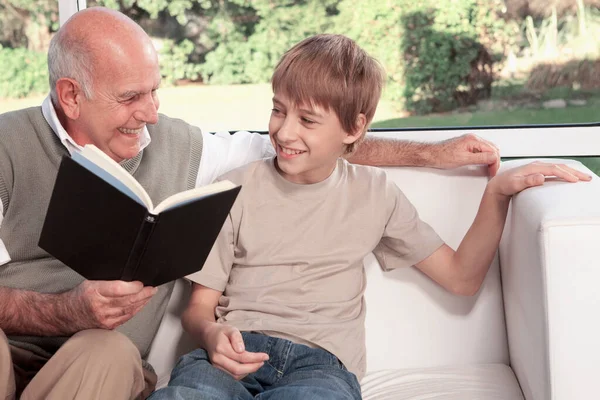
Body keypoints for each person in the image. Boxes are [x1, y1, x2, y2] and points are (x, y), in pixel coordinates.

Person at [0, 7, 504, 400]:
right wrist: (65, 309)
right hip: (15, 346)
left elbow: (316, 145)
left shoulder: (190, 150)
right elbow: (302, 137)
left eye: (155, 92)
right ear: (71, 96)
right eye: (132, 97)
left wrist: (432, 154)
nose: (152, 114)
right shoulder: (7, 149)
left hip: (107, 364)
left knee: (106, 351)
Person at [149, 34, 591, 400]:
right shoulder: (233, 189)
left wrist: (496, 194)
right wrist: (209, 335)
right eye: (278, 109)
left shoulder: (375, 193)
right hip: (231, 355)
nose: (284, 132)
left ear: (354, 129)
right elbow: (198, 309)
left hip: (319, 368)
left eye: (307, 119)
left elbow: (461, 277)